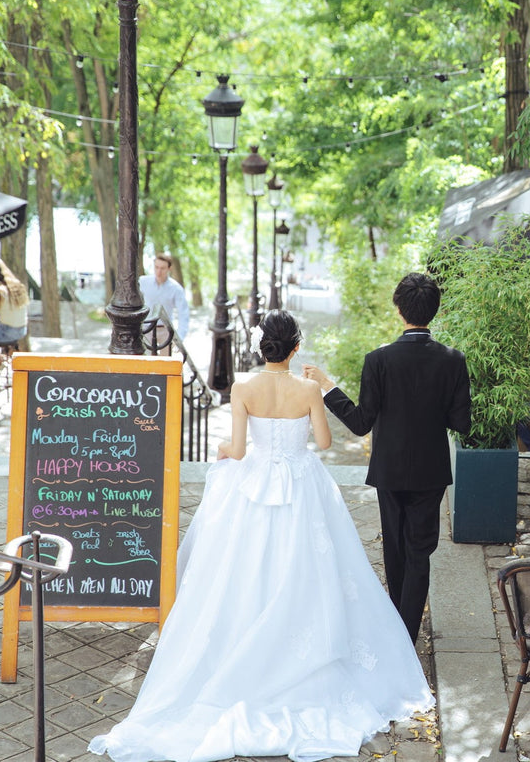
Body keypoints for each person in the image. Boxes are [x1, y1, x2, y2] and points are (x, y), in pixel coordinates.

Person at [89, 309, 434, 762]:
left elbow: (237, 446)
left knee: (243, 568)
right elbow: (326, 444)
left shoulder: (244, 388)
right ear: (294, 348)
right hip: (301, 485)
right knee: (309, 569)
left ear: (261, 347)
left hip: (252, 485)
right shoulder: (309, 388)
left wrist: (224, 452)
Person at [302, 272, 471, 643]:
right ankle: (406, 636)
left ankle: (398, 631)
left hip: (390, 470)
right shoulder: (454, 361)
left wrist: (327, 386)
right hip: (431, 471)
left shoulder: (378, 360)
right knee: (420, 552)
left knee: (395, 549)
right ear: (435, 311)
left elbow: (361, 423)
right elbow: (461, 422)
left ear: (399, 310)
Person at [139, 252, 189, 355]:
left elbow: (183, 314)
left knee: (165, 365)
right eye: (156, 267)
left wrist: (180, 337)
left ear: (169, 269)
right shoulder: (143, 282)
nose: (159, 271)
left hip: (166, 330)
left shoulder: (176, 289)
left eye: (162, 268)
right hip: (146, 329)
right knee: (147, 364)